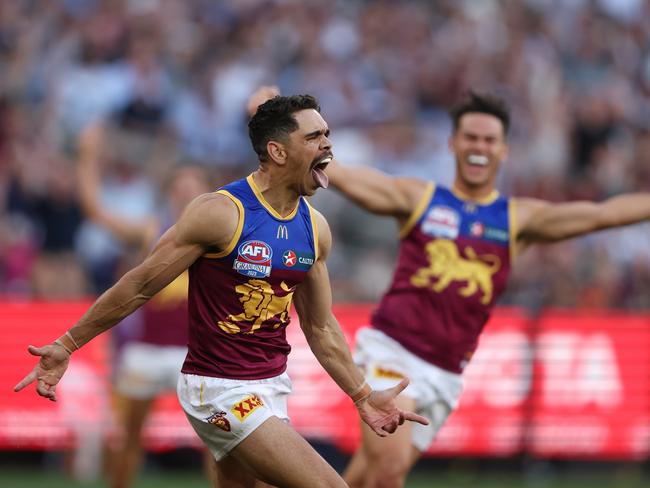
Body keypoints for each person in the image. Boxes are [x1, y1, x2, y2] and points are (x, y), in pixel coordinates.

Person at [15, 94, 428, 488]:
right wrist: (68, 344)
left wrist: (361, 394)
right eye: (314, 137)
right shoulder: (221, 213)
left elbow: (320, 327)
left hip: (271, 386)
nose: (328, 145)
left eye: (327, 135)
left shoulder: (314, 228)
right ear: (278, 152)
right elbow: (140, 286)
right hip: (219, 390)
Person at [319, 91, 650, 488]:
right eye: (471, 137)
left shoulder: (515, 218)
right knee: (387, 471)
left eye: (489, 139)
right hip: (393, 352)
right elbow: (345, 176)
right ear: (453, 143)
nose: (479, 147)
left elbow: (601, 215)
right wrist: (284, 125)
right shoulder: (421, 199)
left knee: (371, 473)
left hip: (446, 373)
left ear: (503, 149)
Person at [76, 123, 213, 488]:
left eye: (193, 186)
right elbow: (96, 212)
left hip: (198, 355)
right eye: (180, 186)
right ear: (170, 192)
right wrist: (88, 157)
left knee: (219, 443)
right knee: (128, 438)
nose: (185, 193)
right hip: (147, 352)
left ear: (206, 193)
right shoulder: (153, 229)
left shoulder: (220, 235)